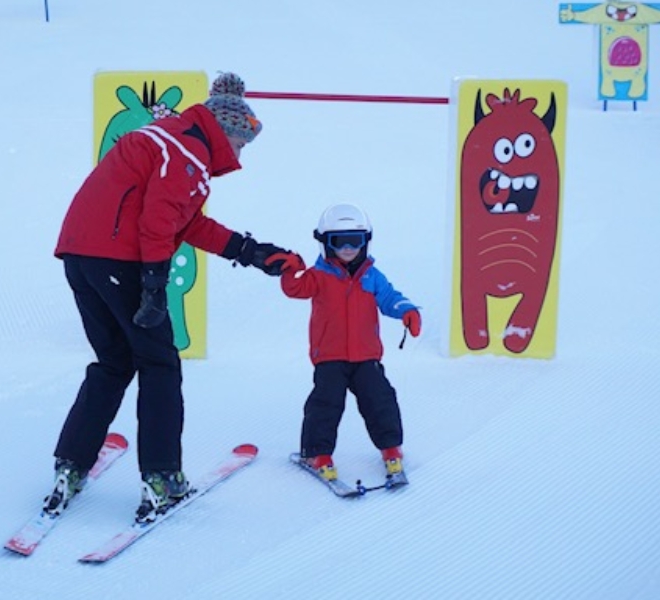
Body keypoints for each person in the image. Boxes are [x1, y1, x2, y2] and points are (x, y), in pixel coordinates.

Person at [46, 72, 290, 523]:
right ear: (226, 131)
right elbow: (159, 223)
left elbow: (185, 221)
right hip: (120, 258)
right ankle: (162, 478)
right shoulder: (188, 152)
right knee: (160, 365)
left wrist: (249, 251)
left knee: (113, 362)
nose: (238, 156)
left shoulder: (170, 137)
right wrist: (154, 287)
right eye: (239, 145)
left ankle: (71, 464)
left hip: (81, 254)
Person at [269, 203, 421, 482]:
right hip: (330, 356)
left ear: (366, 242)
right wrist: (290, 270)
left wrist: (407, 310)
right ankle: (317, 453)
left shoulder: (371, 276)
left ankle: (391, 448)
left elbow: (389, 297)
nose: (349, 248)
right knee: (325, 404)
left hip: (366, 356)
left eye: (356, 241)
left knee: (380, 400)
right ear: (326, 244)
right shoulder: (319, 276)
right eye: (340, 242)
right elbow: (296, 289)